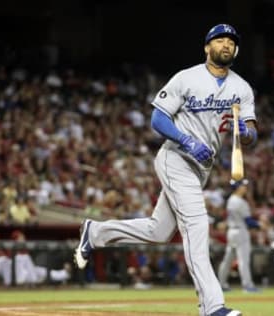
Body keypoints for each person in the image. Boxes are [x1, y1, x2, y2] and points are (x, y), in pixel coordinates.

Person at [74, 23, 257, 316]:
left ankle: (95, 233)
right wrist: (185, 140)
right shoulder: (187, 78)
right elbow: (158, 120)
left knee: (158, 231)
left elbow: (251, 134)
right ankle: (213, 307)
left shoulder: (242, 88)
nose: (226, 45)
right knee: (197, 227)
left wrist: (244, 133)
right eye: (219, 40)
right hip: (176, 158)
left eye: (231, 42)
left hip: (201, 168)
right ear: (207, 47)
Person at [217, 179, 260, 293]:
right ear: (238, 187)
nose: (245, 188)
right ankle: (247, 285)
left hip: (231, 231)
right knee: (243, 260)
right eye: (243, 186)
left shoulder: (230, 200)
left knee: (227, 260)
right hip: (240, 231)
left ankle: (221, 284)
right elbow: (249, 221)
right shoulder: (241, 202)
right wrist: (260, 224)